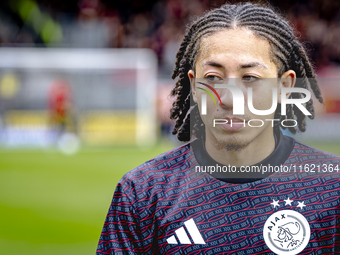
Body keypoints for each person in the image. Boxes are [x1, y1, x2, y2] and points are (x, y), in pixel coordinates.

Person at [97, 3, 340, 254]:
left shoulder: (333, 186)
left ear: (285, 87)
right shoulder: (143, 193)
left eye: (250, 78)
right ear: (193, 86)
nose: (228, 98)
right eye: (213, 77)